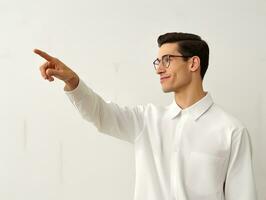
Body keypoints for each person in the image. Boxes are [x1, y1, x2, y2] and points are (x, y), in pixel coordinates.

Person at [34, 32, 257, 200]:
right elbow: (100, 113)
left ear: (193, 63)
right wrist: (73, 82)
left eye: (167, 60)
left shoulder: (231, 131)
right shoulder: (146, 120)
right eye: (157, 62)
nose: (159, 69)